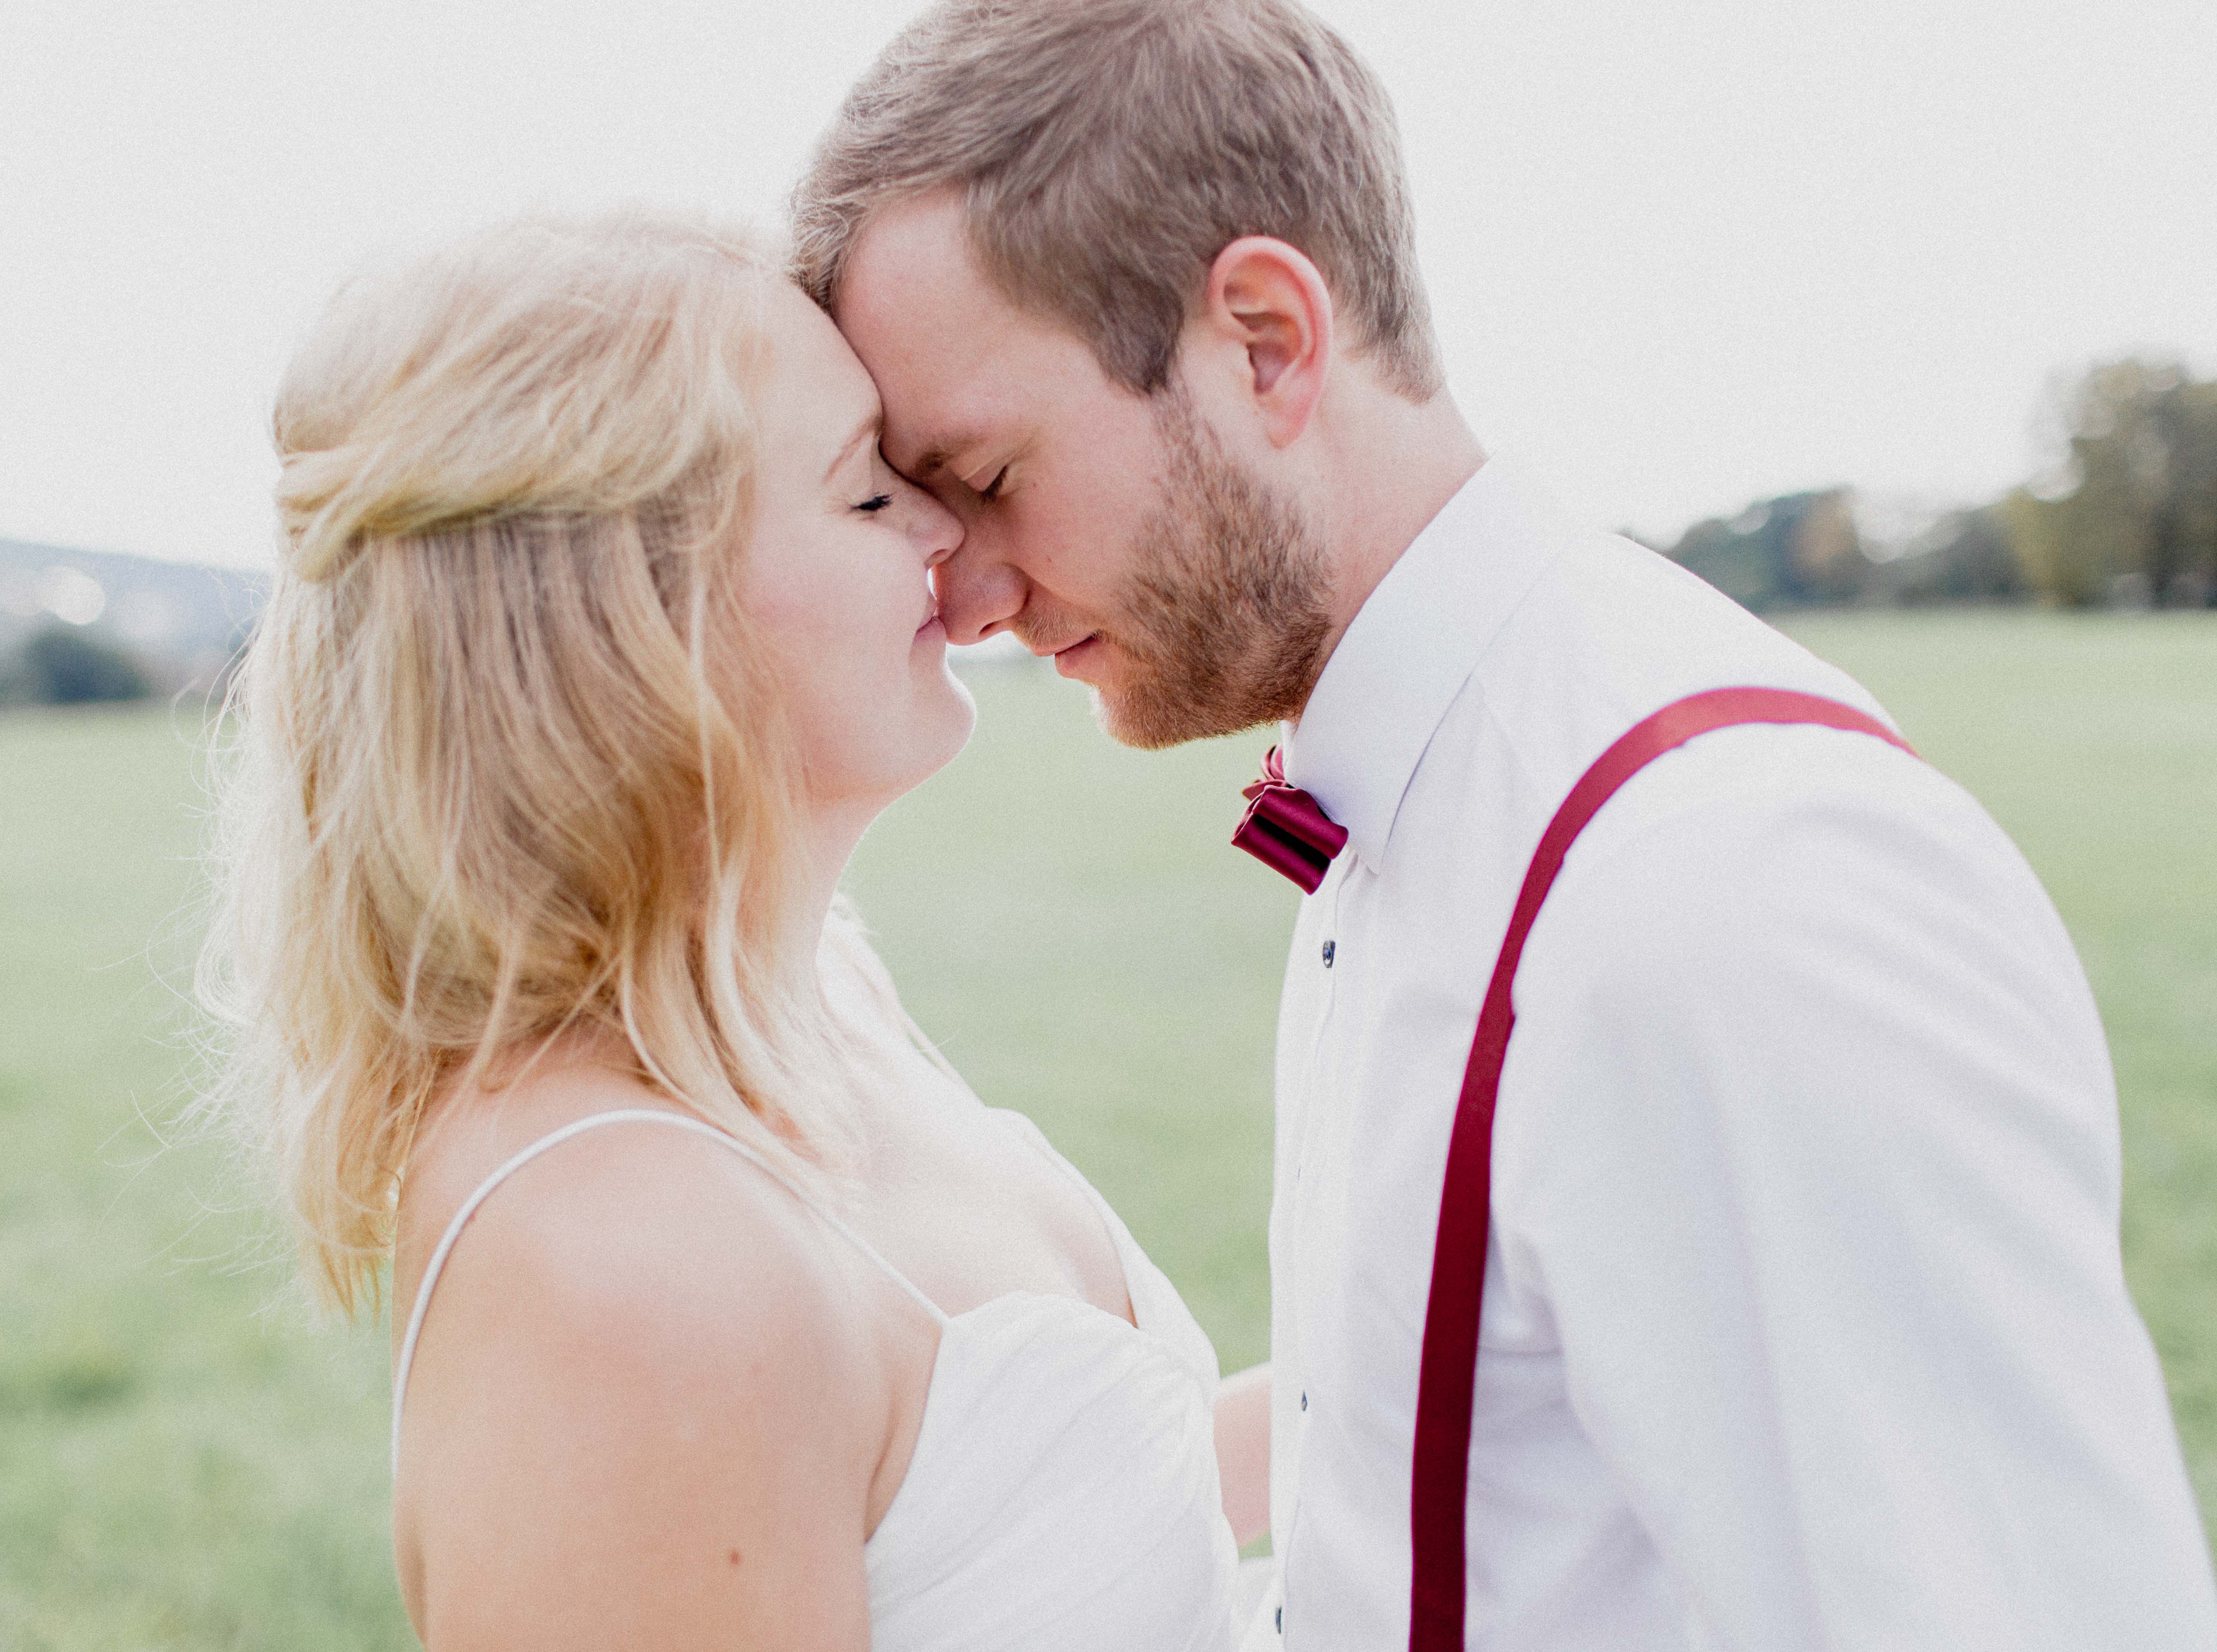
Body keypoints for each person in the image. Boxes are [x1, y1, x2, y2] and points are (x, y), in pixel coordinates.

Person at [791, 0, 2217, 1646]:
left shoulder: (1723, 892)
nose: (957, 591)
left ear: (1263, 338)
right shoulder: (1420, 794)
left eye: (984, 470)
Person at [200, 215, 1262, 1646]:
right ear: (637, 622)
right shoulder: (620, 1272)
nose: (949, 530)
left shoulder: (827, 991)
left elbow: (1084, 1536)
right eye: (869, 496)